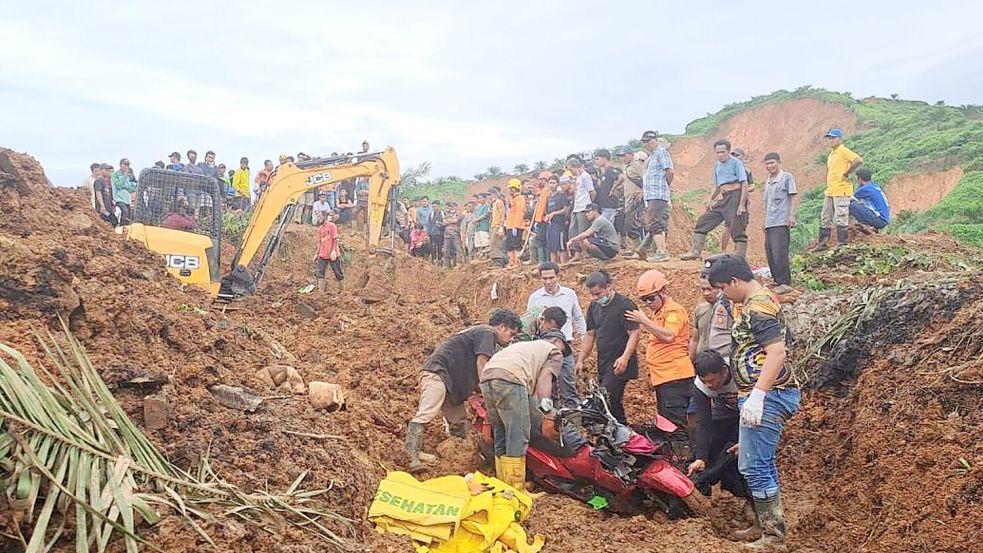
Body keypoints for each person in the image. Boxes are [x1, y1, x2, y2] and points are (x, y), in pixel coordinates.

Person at [705, 254, 800, 550]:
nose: (722, 294)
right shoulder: (754, 301)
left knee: (754, 466)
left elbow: (777, 352)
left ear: (734, 281)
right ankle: (765, 523)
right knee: (760, 462)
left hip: (770, 394)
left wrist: (758, 396)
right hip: (764, 393)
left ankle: (773, 535)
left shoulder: (758, 307)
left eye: (723, 287)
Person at [405, 309, 522, 472]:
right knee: (427, 412)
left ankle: (458, 457)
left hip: (451, 382)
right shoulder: (487, 333)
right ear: (502, 327)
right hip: (438, 373)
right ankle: (410, 454)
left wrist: (478, 390)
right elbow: (482, 363)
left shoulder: (479, 334)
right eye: (511, 334)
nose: (511, 340)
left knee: (458, 421)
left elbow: (471, 367)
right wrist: (489, 391)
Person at [479, 332, 569, 490]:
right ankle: (516, 490)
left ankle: (504, 485)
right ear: (556, 341)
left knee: (501, 432)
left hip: (487, 377)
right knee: (517, 434)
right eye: (564, 348)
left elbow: (531, 397)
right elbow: (544, 380)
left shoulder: (525, 349)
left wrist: (488, 419)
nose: (563, 354)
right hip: (511, 379)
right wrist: (548, 414)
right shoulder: (553, 351)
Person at [625, 270, 695, 432]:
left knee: (675, 425)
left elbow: (669, 336)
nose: (649, 303)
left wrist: (644, 320)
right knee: (667, 422)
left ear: (663, 292)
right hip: (664, 378)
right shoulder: (659, 313)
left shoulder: (673, 311)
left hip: (675, 378)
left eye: (651, 298)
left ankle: (686, 454)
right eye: (645, 300)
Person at [686, 350, 750, 523]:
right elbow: (704, 422)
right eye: (705, 381)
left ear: (724, 371)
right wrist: (701, 457)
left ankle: (752, 503)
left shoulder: (743, 373)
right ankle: (703, 501)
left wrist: (746, 441)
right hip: (722, 414)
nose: (709, 385)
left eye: (712, 380)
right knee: (713, 453)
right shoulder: (700, 385)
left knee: (740, 457)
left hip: (749, 416)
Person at [577, 270, 640, 424]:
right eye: (593, 294)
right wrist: (580, 359)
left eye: (598, 294)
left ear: (609, 286)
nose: (596, 298)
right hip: (604, 362)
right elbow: (590, 335)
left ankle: (619, 435)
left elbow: (634, 333)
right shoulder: (594, 307)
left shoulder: (625, 305)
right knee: (613, 404)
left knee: (605, 399)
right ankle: (623, 436)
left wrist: (625, 357)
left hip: (620, 362)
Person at [527, 261, 587, 407]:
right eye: (544, 278)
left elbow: (578, 318)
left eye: (551, 278)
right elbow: (529, 322)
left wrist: (584, 339)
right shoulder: (535, 297)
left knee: (568, 385)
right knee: (547, 387)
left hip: (565, 346)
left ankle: (573, 421)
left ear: (558, 276)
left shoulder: (569, 294)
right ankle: (551, 423)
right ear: (540, 278)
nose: (548, 281)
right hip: (543, 349)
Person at [682, 139, 750, 260]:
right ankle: (696, 252)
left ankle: (739, 255)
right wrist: (710, 199)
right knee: (704, 221)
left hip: (736, 196)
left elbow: (744, 183)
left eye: (722, 152)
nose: (720, 155)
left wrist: (742, 205)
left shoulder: (736, 163)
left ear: (728, 151)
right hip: (724, 198)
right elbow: (718, 186)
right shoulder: (718, 165)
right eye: (717, 152)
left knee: (736, 225)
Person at [817, 128, 864, 250]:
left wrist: (847, 173)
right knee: (825, 217)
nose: (830, 140)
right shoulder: (832, 154)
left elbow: (858, 160)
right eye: (829, 138)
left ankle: (842, 243)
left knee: (841, 216)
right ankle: (822, 243)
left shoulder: (843, 151)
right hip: (831, 190)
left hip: (841, 189)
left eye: (833, 138)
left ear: (839, 138)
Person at [634, 131, 675, 261]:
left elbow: (670, 171)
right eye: (644, 141)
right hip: (652, 194)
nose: (646, 144)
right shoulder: (652, 156)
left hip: (658, 193)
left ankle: (661, 252)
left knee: (654, 223)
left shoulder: (661, 152)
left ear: (655, 140)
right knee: (656, 223)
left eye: (648, 141)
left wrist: (665, 185)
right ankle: (661, 251)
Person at [761, 153, 799, 294]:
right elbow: (767, 203)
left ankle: (785, 282)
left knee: (780, 252)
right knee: (770, 251)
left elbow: (793, 196)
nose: (770, 166)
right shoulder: (768, 181)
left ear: (779, 162)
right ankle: (776, 279)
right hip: (770, 221)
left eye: (772, 163)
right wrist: (764, 221)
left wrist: (791, 215)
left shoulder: (786, 177)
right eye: (767, 164)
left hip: (781, 220)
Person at [567, 157, 595, 256]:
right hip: (577, 207)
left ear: (576, 166)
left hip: (584, 207)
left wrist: (590, 205)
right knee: (573, 231)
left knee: (583, 232)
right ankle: (578, 254)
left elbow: (592, 192)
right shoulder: (578, 177)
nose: (571, 172)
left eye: (571, 169)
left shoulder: (585, 176)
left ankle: (587, 254)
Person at [689, 273, 720, 361]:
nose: (706, 293)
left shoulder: (730, 310)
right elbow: (695, 339)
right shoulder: (700, 309)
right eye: (703, 289)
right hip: (702, 361)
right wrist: (691, 360)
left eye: (710, 289)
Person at [850, 168, 890, 232]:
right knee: (859, 204)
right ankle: (870, 227)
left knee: (851, 205)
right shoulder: (874, 186)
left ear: (860, 178)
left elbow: (849, 199)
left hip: (879, 220)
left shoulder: (864, 189)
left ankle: (865, 226)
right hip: (884, 219)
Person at [315, 211, 344, 294]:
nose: (319, 218)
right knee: (320, 272)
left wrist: (334, 250)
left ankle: (342, 291)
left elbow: (335, 239)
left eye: (320, 217)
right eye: (318, 217)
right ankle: (321, 292)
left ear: (324, 216)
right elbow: (319, 242)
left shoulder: (332, 226)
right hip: (322, 254)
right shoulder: (319, 229)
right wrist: (316, 253)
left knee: (337, 272)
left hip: (332, 254)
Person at [545, 175, 571, 263]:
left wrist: (554, 213)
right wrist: (547, 216)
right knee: (552, 248)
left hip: (559, 224)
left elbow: (565, 209)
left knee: (561, 247)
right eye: (550, 183)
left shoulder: (561, 196)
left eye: (554, 183)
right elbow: (547, 211)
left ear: (557, 184)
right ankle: (553, 266)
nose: (552, 185)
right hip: (550, 225)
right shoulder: (548, 198)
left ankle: (564, 265)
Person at [592, 149, 620, 222]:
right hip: (603, 205)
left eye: (598, 159)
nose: (596, 161)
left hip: (609, 205)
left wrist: (613, 188)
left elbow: (621, 177)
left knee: (606, 227)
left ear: (604, 158)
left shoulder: (610, 170)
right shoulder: (603, 172)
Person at [504, 179, 526, 268]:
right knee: (509, 245)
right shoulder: (514, 199)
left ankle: (517, 262)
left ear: (514, 189)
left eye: (510, 189)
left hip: (516, 226)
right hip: (510, 226)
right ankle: (511, 262)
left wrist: (516, 226)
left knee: (516, 245)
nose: (509, 190)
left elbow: (520, 213)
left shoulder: (520, 199)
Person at [111, 158, 137, 226]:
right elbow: (119, 185)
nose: (126, 167)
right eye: (124, 164)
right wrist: (125, 175)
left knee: (129, 214)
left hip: (127, 199)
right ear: (120, 165)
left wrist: (127, 187)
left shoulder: (128, 176)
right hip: (119, 198)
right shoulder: (115, 174)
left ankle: (126, 227)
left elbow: (131, 188)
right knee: (124, 211)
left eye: (127, 165)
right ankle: (121, 227)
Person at [443, 201, 463, 268]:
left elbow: (456, 220)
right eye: (451, 206)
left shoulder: (459, 213)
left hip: (456, 233)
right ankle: (446, 265)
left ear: (456, 207)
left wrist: (450, 221)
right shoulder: (446, 213)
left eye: (453, 206)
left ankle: (459, 264)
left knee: (458, 249)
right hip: (447, 234)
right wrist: (451, 221)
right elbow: (444, 222)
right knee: (446, 250)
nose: (452, 207)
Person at [489, 188, 507, 266]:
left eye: (489, 194)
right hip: (494, 226)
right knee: (493, 244)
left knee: (496, 245)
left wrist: (501, 227)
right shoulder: (494, 203)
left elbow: (503, 215)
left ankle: (498, 263)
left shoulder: (499, 202)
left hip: (497, 226)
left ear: (494, 194)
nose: (489, 197)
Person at [473, 193, 491, 258]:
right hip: (477, 227)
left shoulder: (487, 206)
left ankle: (486, 255)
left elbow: (485, 215)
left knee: (485, 242)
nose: (479, 200)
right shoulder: (477, 208)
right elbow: (474, 215)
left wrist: (476, 220)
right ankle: (480, 254)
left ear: (485, 199)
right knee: (478, 242)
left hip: (483, 226)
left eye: (481, 198)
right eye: (479, 198)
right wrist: (474, 220)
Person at [429, 199, 446, 266]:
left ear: (438, 206)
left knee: (439, 247)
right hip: (432, 233)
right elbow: (429, 223)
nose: (434, 208)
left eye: (435, 206)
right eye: (433, 207)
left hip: (440, 233)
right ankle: (433, 260)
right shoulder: (431, 214)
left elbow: (444, 223)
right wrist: (429, 232)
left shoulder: (442, 213)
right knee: (433, 247)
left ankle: (439, 260)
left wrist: (439, 224)